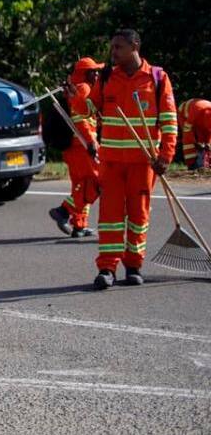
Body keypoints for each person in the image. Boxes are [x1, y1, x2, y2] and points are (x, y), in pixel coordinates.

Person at [89, 30, 176, 289]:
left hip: (143, 162)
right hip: (112, 162)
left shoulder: (157, 78)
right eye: (112, 47)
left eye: (118, 47)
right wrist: (75, 98)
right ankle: (107, 268)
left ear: (135, 46)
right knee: (110, 216)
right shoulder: (106, 77)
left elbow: (170, 121)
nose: (113, 52)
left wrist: (166, 156)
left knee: (138, 215)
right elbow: (90, 107)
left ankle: (134, 265)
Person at [49, 58, 102, 237]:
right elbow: (81, 119)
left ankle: (79, 225)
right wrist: (91, 142)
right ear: (85, 74)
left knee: (81, 185)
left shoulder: (76, 88)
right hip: (82, 145)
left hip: (74, 146)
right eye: (93, 71)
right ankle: (64, 210)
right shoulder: (84, 88)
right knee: (97, 182)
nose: (96, 74)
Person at [178, 98, 211, 170]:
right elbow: (187, 130)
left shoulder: (207, 117)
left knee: (204, 144)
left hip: (200, 117)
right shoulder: (196, 112)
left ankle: (206, 163)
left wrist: (208, 144)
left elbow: (209, 132)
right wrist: (195, 142)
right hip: (183, 114)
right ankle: (191, 164)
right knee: (188, 143)